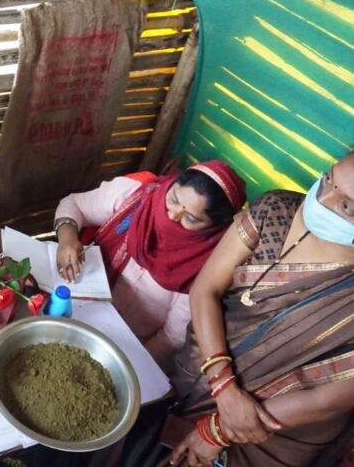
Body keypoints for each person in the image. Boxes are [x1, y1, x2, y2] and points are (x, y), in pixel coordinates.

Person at [162, 153, 354, 467]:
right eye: (329, 179)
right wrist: (222, 384)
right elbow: (205, 289)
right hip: (199, 378)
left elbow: (326, 399)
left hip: (269, 438)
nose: (321, 199)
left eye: (346, 205)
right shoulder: (275, 210)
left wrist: (219, 431)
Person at [54, 161, 246, 370]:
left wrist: (124, 365)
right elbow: (74, 205)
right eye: (173, 199)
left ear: (213, 226)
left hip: (125, 346)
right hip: (75, 304)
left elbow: (170, 339)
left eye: (190, 218)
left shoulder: (208, 267)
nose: (172, 215)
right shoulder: (137, 196)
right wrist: (67, 238)